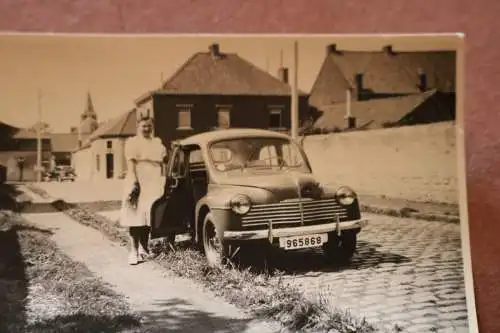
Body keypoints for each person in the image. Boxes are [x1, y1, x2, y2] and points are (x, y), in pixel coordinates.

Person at [120, 112, 167, 265]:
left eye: (149, 126)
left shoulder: (157, 142)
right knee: (135, 216)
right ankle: (133, 251)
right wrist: (134, 182)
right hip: (138, 179)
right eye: (143, 126)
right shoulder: (133, 142)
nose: (146, 129)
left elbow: (162, 163)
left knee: (148, 216)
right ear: (138, 126)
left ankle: (144, 247)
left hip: (153, 181)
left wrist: (163, 180)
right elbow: (131, 165)